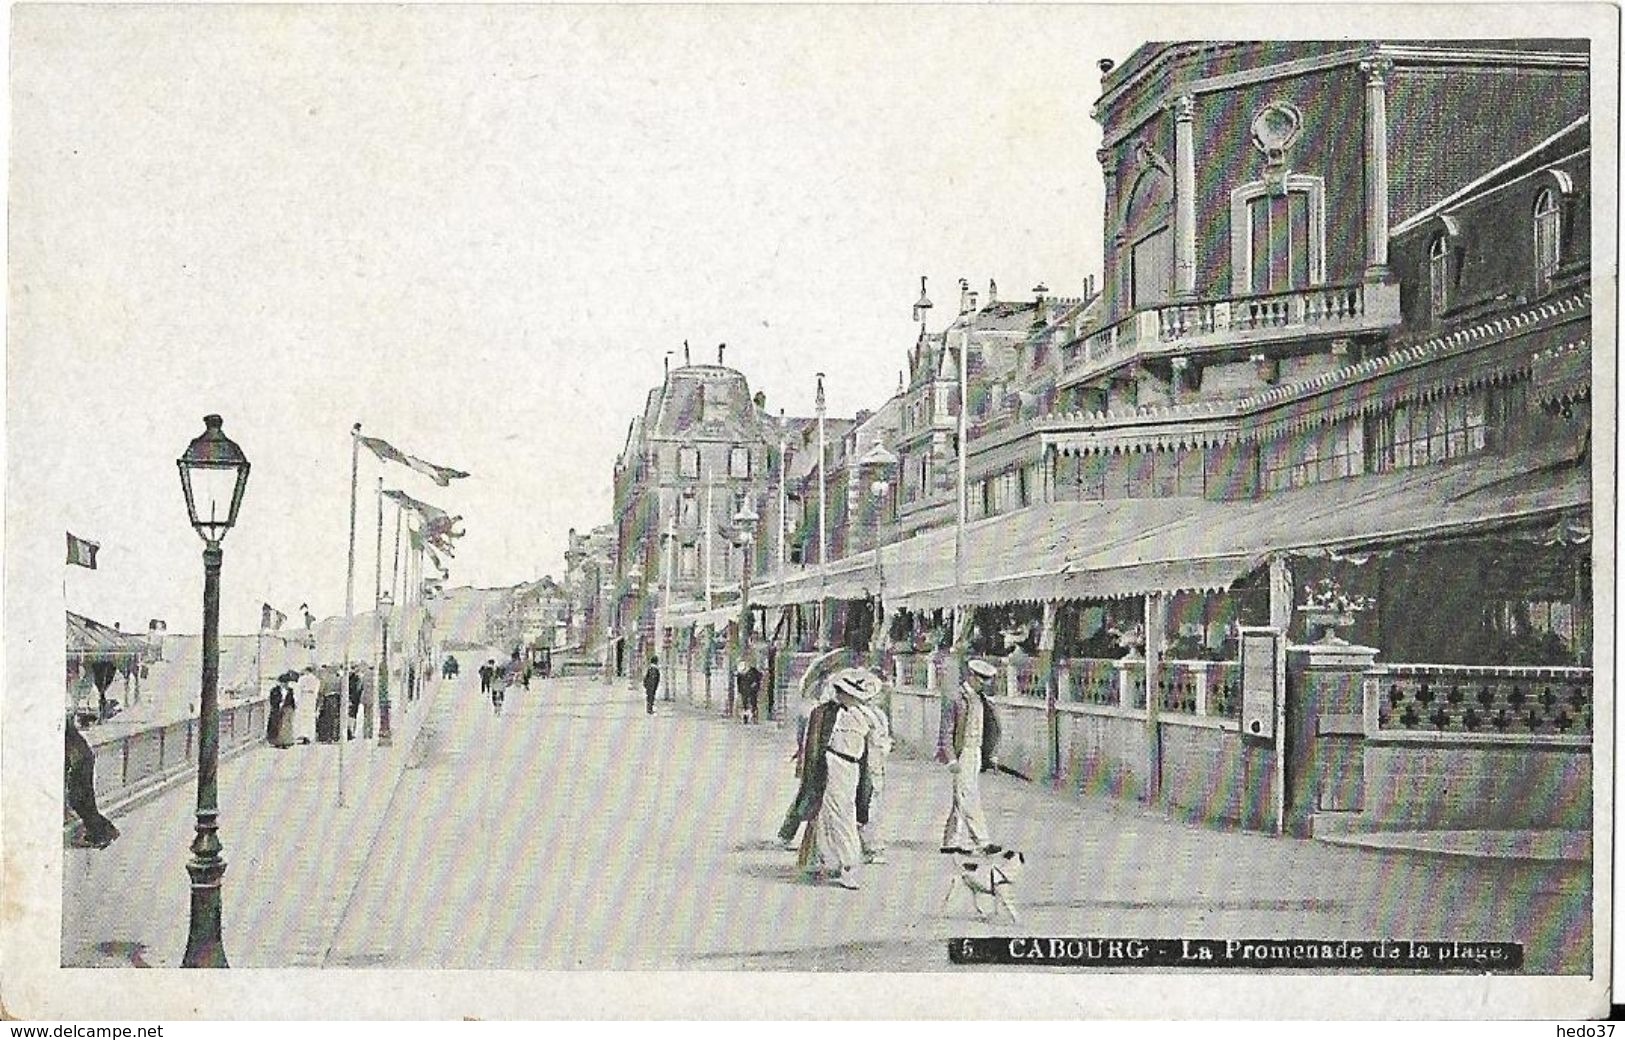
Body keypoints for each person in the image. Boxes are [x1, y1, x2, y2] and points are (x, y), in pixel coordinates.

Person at [810, 669, 881, 890]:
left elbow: (877, 746)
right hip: (831, 762)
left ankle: (849, 863)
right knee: (826, 813)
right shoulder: (829, 712)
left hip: (851, 766)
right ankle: (830, 860)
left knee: (843, 815)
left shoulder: (867, 717)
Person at [940, 658, 1002, 855]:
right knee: (968, 795)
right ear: (972, 676)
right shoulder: (957, 698)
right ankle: (982, 841)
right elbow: (947, 731)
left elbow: (992, 729)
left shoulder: (983, 700)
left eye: (986, 679)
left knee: (961, 796)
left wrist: (991, 754)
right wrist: (951, 758)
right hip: (963, 751)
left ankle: (951, 840)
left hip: (976, 750)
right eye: (981, 679)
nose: (984, 683)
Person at [778, 682, 837, 850]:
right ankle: (788, 834)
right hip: (817, 762)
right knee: (807, 797)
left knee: (810, 798)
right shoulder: (817, 712)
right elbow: (808, 740)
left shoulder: (823, 711)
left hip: (823, 761)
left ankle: (792, 834)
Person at [65, 713, 119, 848]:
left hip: (79, 761)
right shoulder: (65, 725)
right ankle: (107, 830)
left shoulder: (59, 727)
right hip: (84, 758)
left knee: (78, 801)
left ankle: (100, 835)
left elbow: (67, 754)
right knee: (86, 801)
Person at [296, 666, 321, 743]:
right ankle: (310, 735)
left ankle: (303, 734)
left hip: (304, 697)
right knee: (310, 717)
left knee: (303, 716)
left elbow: (298, 689)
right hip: (311, 698)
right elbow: (316, 691)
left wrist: (298, 700)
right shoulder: (316, 680)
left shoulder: (302, 679)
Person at [736, 659, 763, 724]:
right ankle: (746, 715)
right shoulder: (740, 674)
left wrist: (755, 684)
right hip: (744, 690)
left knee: (753, 702)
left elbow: (759, 677)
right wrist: (740, 690)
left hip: (752, 690)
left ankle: (753, 715)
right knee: (745, 702)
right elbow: (739, 683)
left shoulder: (753, 671)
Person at [274, 679, 299, 748]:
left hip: (287, 708)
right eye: (284, 682)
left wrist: (293, 707)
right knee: (281, 725)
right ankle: (280, 741)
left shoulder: (290, 690)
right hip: (280, 708)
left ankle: (286, 741)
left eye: (286, 683)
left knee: (287, 725)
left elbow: (292, 699)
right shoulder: (277, 690)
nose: (285, 684)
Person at [347, 667, 363, 740]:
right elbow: (358, 690)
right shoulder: (357, 680)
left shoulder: (350, 679)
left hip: (351, 700)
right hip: (354, 700)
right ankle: (351, 732)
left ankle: (350, 732)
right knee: (352, 716)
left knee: (350, 716)